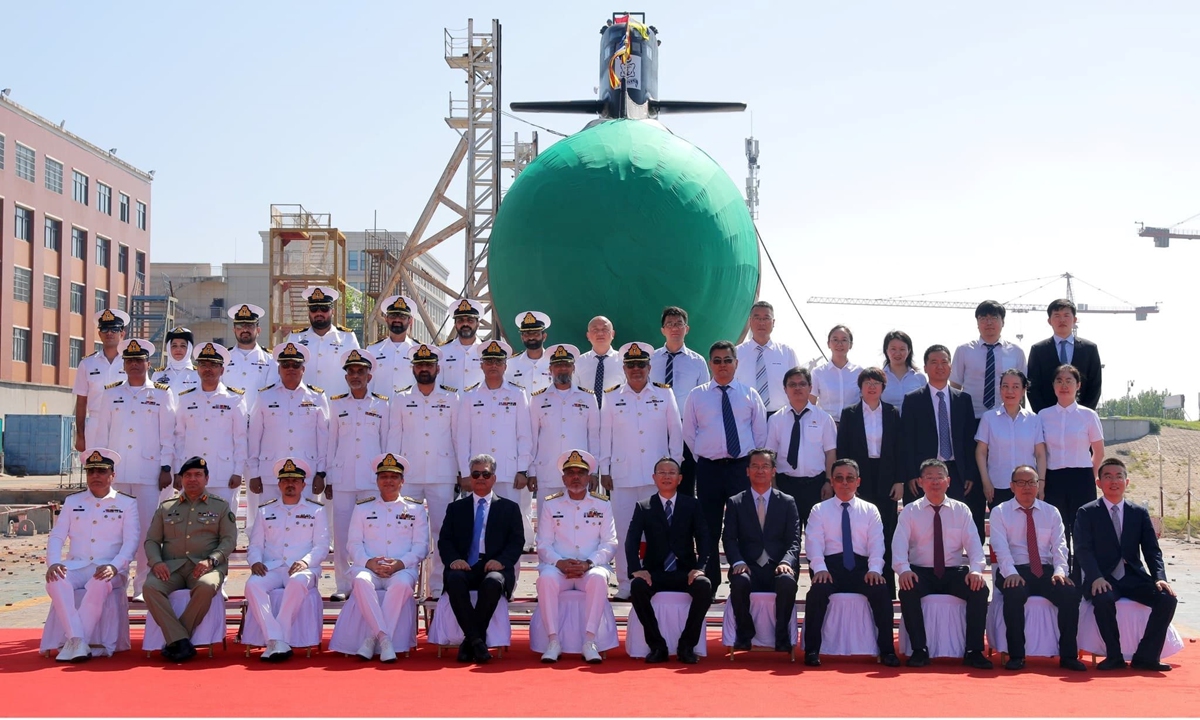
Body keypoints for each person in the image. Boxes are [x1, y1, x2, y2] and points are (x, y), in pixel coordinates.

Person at [86, 338, 176, 597]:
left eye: (139, 360)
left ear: (149, 363)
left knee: (148, 532)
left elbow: (168, 436)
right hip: (118, 475)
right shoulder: (111, 393)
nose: (135, 365)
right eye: (130, 361)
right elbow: (102, 434)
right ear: (124, 365)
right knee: (115, 531)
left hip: (149, 474)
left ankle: (142, 586)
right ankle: (116, 583)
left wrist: (166, 467)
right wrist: (101, 471)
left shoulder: (160, 393)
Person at [1075, 457, 1178, 671]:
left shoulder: (1138, 513)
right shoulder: (1087, 512)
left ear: (1127, 482)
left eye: (1119, 476)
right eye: (1108, 477)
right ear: (1099, 483)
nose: (1114, 481)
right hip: (1104, 577)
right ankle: (1114, 657)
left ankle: (1146, 657)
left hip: (1133, 577)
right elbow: (1083, 550)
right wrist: (1095, 577)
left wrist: (1160, 578)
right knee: (1102, 599)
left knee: (1167, 599)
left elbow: (1152, 550)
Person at [599, 341, 683, 599]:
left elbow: (676, 433)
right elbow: (604, 435)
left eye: (641, 365)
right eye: (631, 365)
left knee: (658, 531)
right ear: (624, 368)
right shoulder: (612, 395)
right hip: (622, 476)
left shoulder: (663, 393)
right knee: (625, 531)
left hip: (656, 478)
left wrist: (674, 468)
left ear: (649, 367)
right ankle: (625, 583)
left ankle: (656, 578)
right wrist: (604, 469)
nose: (636, 369)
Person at [683, 340, 768, 592]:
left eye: (727, 360)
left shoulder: (749, 394)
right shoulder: (696, 395)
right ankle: (709, 581)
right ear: (710, 364)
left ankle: (741, 578)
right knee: (708, 525)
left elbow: (759, 434)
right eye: (717, 361)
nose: (722, 365)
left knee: (741, 525)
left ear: (736, 363)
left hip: (740, 468)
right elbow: (689, 433)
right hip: (709, 469)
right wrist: (705, 456)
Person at [891, 460, 992, 669]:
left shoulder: (961, 510)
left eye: (939, 477)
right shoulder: (910, 511)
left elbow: (974, 545)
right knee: (908, 590)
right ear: (920, 482)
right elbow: (898, 547)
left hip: (953, 571)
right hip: (921, 572)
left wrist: (975, 570)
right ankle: (919, 650)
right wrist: (903, 570)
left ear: (948, 481)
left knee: (980, 590)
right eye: (929, 477)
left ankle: (974, 650)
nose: (934, 482)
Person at [802, 459, 899, 667]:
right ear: (832, 481)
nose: (844, 483)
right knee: (817, 592)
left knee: (882, 590)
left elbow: (877, 544)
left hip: (862, 569)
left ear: (858, 481)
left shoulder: (870, 510)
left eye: (849, 478)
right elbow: (813, 542)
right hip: (831, 568)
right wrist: (819, 568)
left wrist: (874, 569)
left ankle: (887, 651)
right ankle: (811, 650)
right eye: (839, 478)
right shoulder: (819, 510)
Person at [44, 448, 138, 662]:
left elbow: (131, 542)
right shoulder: (73, 501)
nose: (95, 476)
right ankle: (78, 640)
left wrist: (115, 566)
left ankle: (75, 641)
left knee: (99, 582)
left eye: (101, 471)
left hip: (110, 568)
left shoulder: (127, 503)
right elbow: (57, 536)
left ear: (112, 475)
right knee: (55, 581)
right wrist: (54, 563)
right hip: (77, 565)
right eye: (91, 471)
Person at [989, 465, 1087, 671]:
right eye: (1021, 483)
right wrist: (1011, 574)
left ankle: (1068, 655)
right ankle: (1017, 655)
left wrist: (1061, 571)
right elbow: (1000, 547)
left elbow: (1060, 545)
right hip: (1014, 569)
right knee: (1014, 593)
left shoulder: (1051, 512)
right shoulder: (1000, 512)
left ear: (1038, 485)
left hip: (1046, 571)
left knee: (1070, 593)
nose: (1027, 487)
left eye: (1032, 482)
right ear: (1011, 486)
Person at [142, 456, 237, 663]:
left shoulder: (220, 506)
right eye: (188, 475)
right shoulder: (166, 507)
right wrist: (156, 562)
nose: (192, 479)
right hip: (171, 568)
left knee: (206, 586)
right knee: (150, 587)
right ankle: (182, 640)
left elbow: (229, 541)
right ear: (181, 479)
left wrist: (212, 561)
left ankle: (176, 639)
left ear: (206, 479)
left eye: (198, 475)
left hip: (206, 567)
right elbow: (151, 540)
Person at [438, 454, 526, 664]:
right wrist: (454, 561)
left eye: (485, 474)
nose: (480, 478)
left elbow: (516, 542)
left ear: (493, 478)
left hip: (493, 565)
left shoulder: (509, 508)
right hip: (464, 565)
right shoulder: (455, 508)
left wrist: (501, 561)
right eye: (476, 474)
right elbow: (445, 541)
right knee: (454, 579)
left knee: (493, 582)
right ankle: (477, 641)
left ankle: (470, 641)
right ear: (470, 477)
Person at [625, 457, 712, 664]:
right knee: (637, 587)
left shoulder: (692, 505)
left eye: (671, 472)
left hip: (685, 572)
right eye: (661, 473)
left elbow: (704, 539)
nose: (666, 476)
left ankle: (687, 645)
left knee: (704, 586)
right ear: (654, 478)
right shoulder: (644, 506)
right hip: (655, 572)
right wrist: (637, 569)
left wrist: (700, 568)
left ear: (680, 478)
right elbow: (632, 540)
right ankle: (657, 646)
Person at [390, 343, 460, 598]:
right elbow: (393, 437)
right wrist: (393, 471)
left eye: (428, 365)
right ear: (413, 369)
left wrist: (461, 471)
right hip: (409, 474)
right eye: (419, 365)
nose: (424, 369)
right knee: (405, 529)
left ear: (437, 368)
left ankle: (438, 583)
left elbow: (458, 437)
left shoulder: (451, 398)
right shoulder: (401, 398)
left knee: (442, 531)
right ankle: (403, 578)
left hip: (442, 473)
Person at [345, 453, 429, 663]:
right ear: (377, 481)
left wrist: (400, 563)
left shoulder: (415, 509)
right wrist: (369, 563)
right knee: (360, 581)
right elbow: (353, 543)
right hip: (368, 567)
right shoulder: (363, 507)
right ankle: (384, 639)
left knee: (401, 586)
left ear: (402, 481)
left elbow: (421, 546)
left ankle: (371, 640)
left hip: (401, 568)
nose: (388, 481)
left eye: (393, 476)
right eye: (384, 477)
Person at [535, 450, 618, 663]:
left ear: (588, 477)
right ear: (563, 478)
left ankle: (589, 641)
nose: (575, 477)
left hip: (589, 567)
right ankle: (553, 641)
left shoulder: (602, 504)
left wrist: (589, 563)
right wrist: (559, 562)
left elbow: (610, 543)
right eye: (570, 473)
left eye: (580, 473)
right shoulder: (551, 504)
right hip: (558, 567)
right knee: (545, 579)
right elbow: (543, 543)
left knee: (599, 578)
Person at [245, 457, 329, 663]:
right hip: (272, 567)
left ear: (303, 484)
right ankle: (277, 638)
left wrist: (306, 562)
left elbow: (322, 545)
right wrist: (255, 561)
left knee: (298, 582)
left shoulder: (316, 510)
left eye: (294, 480)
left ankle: (275, 640)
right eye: (285, 481)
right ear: (279, 484)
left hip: (302, 568)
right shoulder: (266, 510)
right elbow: (255, 544)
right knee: (252, 586)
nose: (290, 484)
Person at [456, 339, 535, 549]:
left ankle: (510, 579)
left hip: (509, 472)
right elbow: (462, 437)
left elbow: (524, 435)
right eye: (488, 361)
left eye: (498, 361)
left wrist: (523, 470)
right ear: (481, 364)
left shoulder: (518, 395)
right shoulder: (470, 395)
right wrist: (465, 472)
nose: (493, 365)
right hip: (478, 474)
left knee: (511, 528)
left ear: (505, 365)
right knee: (479, 527)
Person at [326, 349, 390, 601]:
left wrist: (386, 480)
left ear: (369, 375)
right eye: (351, 372)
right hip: (342, 479)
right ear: (346, 377)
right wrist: (329, 477)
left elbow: (387, 444)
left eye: (360, 372)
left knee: (370, 533)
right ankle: (343, 584)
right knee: (341, 535)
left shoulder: (382, 404)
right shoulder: (337, 403)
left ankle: (369, 578)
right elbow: (331, 443)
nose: (355, 376)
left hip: (371, 480)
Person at [900, 345, 983, 540]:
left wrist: (970, 472)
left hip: (956, 472)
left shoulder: (963, 399)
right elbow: (907, 440)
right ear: (925, 368)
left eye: (944, 362)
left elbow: (969, 440)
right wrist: (912, 474)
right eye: (934, 362)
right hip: (924, 473)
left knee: (956, 525)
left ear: (951, 367)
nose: (939, 366)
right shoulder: (913, 400)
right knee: (924, 527)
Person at [723, 448, 800, 653]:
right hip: (748, 566)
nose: (760, 470)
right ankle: (744, 634)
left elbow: (794, 540)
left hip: (777, 566)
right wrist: (738, 562)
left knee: (786, 582)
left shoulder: (787, 501)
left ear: (773, 471)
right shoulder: (735, 502)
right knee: (739, 582)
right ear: (747, 471)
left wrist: (786, 562)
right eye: (755, 466)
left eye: (765, 466)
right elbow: (729, 538)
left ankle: (782, 636)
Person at [246, 342, 330, 527]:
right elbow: (254, 436)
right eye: (285, 365)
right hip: (270, 473)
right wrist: (254, 472)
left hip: (306, 473)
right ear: (278, 369)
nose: (290, 369)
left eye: (295, 365)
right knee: (270, 523)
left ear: (303, 369)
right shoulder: (264, 396)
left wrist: (321, 473)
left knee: (305, 523)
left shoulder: (317, 397)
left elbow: (324, 438)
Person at [837, 367, 903, 596]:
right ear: (861, 387)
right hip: (859, 476)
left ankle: (886, 583)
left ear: (883, 387)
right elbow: (843, 449)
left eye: (876, 383)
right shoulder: (850, 413)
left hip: (886, 477)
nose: (872, 387)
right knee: (860, 529)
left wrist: (899, 480)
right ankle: (860, 580)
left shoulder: (892, 413)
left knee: (887, 529)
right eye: (868, 383)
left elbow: (899, 448)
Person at [173, 342, 248, 511]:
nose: (208, 369)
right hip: (191, 473)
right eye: (203, 364)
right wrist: (178, 470)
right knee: (191, 522)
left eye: (213, 365)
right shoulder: (185, 399)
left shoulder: (234, 399)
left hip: (224, 473)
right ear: (197, 369)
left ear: (222, 370)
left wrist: (238, 471)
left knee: (224, 525)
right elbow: (179, 438)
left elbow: (241, 439)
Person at [1037, 364, 1104, 549]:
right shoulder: (1043, 415)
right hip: (1053, 478)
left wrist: (1091, 474)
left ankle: (1084, 575)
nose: (1064, 385)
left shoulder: (1088, 415)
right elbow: (1040, 452)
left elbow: (1099, 451)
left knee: (1082, 530)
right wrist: (1041, 483)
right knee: (1057, 531)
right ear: (1053, 386)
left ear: (1078, 385)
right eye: (1059, 381)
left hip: (1082, 477)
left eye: (1069, 381)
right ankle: (1061, 574)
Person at [766, 367, 835, 539]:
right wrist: (773, 486)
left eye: (802, 384)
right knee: (787, 538)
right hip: (785, 485)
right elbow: (770, 456)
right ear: (785, 389)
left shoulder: (824, 419)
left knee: (817, 538)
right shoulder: (775, 420)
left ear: (810, 387)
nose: (797, 388)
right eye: (792, 384)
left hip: (816, 487)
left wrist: (828, 482)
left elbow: (831, 453)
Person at [649, 306, 709, 497]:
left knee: (685, 481)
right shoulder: (650, 360)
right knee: (655, 478)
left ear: (687, 328)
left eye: (679, 324)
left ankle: (684, 525)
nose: (674, 328)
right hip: (655, 427)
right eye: (670, 324)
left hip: (686, 428)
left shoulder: (698, 362)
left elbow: (704, 400)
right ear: (662, 330)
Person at [528, 343, 599, 496]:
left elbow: (594, 437)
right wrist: (531, 471)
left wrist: (594, 470)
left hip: (579, 472)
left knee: (578, 518)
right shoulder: (538, 399)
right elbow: (532, 437)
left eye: (566, 365)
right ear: (550, 369)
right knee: (546, 519)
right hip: (547, 472)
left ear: (573, 368)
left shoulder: (587, 397)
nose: (562, 368)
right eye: (557, 365)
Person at [974, 369, 1047, 509]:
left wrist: (1041, 483)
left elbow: (1040, 454)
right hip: (997, 485)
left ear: (1024, 390)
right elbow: (981, 452)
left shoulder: (1034, 419)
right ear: (1000, 389)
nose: (1010, 391)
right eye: (1005, 386)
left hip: (1027, 486)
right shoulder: (989, 418)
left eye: (1015, 387)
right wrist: (986, 481)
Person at [949, 300, 1027, 419]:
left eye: (994, 318)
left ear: (1003, 322)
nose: (988, 322)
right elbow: (955, 386)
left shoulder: (1016, 352)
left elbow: (1022, 390)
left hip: (1005, 417)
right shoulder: (963, 350)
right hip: (971, 416)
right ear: (977, 323)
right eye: (983, 318)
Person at [1027, 299, 1102, 413]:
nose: (1062, 320)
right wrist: (1044, 414)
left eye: (1066, 315)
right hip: (1048, 418)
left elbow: (1095, 385)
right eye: (1057, 315)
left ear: (1074, 320)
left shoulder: (1089, 349)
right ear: (1049, 321)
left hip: (1080, 418)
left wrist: (1084, 413)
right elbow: (1033, 387)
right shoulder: (1038, 350)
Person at [286, 285, 361, 398]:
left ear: (333, 311)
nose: (319, 313)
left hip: (337, 406)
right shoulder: (296, 338)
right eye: (314, 309)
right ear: (309, 312)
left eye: (324, 309)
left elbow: (358, 372)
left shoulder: (347, 338)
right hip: (303, 407)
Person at [73, 308, 129, 452]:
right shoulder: (87, 364)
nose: (109, 333)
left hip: (125, 421)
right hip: (95, 423)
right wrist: (80, 435)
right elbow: (81, 402)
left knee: (124, 468)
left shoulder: (131, 362)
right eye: (104, 329)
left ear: (122, 333)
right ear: (99, 334)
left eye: (114, 329)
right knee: (96, 469)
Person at [734, 301, 799, 413]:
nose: (761, 322)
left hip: (781, 417)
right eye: (757, 318)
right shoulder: (736, 353)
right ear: (750, 321)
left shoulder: (787, 353)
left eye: (766, 318)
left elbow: (798, 386)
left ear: (773, 322)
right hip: (746, 417)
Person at [225, 303, 278, 411]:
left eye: (249, 325)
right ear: (234, 330)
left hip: (258, 420)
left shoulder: (271, 359)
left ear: (258, 330)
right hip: (229, 421)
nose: (245, 330)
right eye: (240, 326)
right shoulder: (223, 358)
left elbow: (272, 394)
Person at [365, 294, 416, 396]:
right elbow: (367, 385)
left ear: (410, 321)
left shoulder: (417, 350)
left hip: (408, 410)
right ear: (386, 319)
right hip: (379, 409)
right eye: (393, 316)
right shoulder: (373, 350)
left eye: (402, 316)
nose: (397, 320)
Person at [810, 325, 862, 422]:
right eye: (835, 339)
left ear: (851, 345)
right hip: (826, 425)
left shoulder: (859, 372)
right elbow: (811, 404)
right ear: (828, 344)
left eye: (844, 340)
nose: (839, 344)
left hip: (853, 425)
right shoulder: (818, 372)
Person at [437, 298, 486, 393]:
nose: (465, 324)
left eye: (470, 320)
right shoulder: (442, 351)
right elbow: (437, 385)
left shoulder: (486, 351)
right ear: (455, 325)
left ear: (478, 324)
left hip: (479, 406)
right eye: (460, 321)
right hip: (451, 406)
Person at [506, 310, 554, 395]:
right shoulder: (511, 364)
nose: (531, 337)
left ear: (544, 336)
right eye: (527, 334)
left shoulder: (554, 362)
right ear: (522, 337)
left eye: (536, 333)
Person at [576, 316, 620, 406]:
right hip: (586, 414)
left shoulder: (623, 361)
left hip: (616, 414)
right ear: (588, 335)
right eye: (595, 330)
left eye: (605, 329)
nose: (600, 333)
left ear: (612, 334)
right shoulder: (578, 362)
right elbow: (574, 393)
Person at [880, 330, 926, 412]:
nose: (898, 353)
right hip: (888, 423)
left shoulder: (920, 378)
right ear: (886, 350)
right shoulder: (879, 378)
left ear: (909, 351)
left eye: (902, 349)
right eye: (893, 349)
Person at [152, 326, 200, 399]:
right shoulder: (158, 375)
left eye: (183, 346)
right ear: (168, 348)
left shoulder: (199, 374)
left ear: (189, 348)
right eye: (174, 346)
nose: (178, 349)